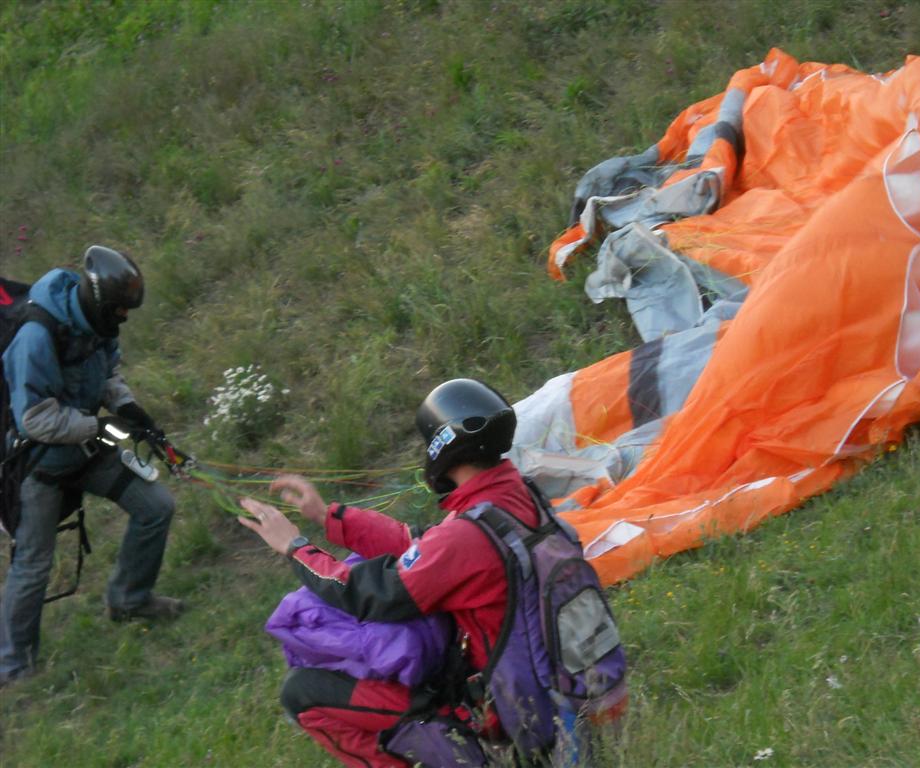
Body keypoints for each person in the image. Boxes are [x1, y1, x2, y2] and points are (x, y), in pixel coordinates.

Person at [238, 378, 545, 767]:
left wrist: (295, 547)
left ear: (441, 447)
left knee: (302, 693)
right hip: (550, 681)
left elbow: (371, 593)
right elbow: (417, 544)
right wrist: (327, 516)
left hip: (502, 706)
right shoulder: (515, 497)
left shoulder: (467, 535)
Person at [0, 246, 183, 686]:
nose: (123, 319)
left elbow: (108, 375)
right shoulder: (36, 336)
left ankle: (129, 599)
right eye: (119, 310)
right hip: (38, 463)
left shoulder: (99, 324)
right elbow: (35, 417)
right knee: (33, 563)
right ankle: (14, 666)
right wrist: (97, 428)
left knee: (156, 507)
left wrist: (131, 410)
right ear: (99, 302)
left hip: (85, 450)